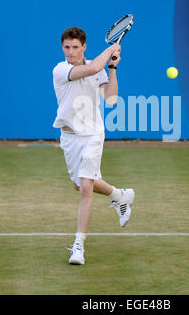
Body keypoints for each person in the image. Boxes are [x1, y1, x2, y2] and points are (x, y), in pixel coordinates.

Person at [52, 27, 135, 265]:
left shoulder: (96, 66)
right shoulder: (61, 69)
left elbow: (110, 99)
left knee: (86, 187)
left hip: (93, 134)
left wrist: (113, 67)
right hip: (69, 137)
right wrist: (110, 51)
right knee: (81, 185)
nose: (70, 52)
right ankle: (121, 196)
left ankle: (78, 246)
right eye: (66, 47)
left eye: (75, 47)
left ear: (84, 47)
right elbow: (92, 68)